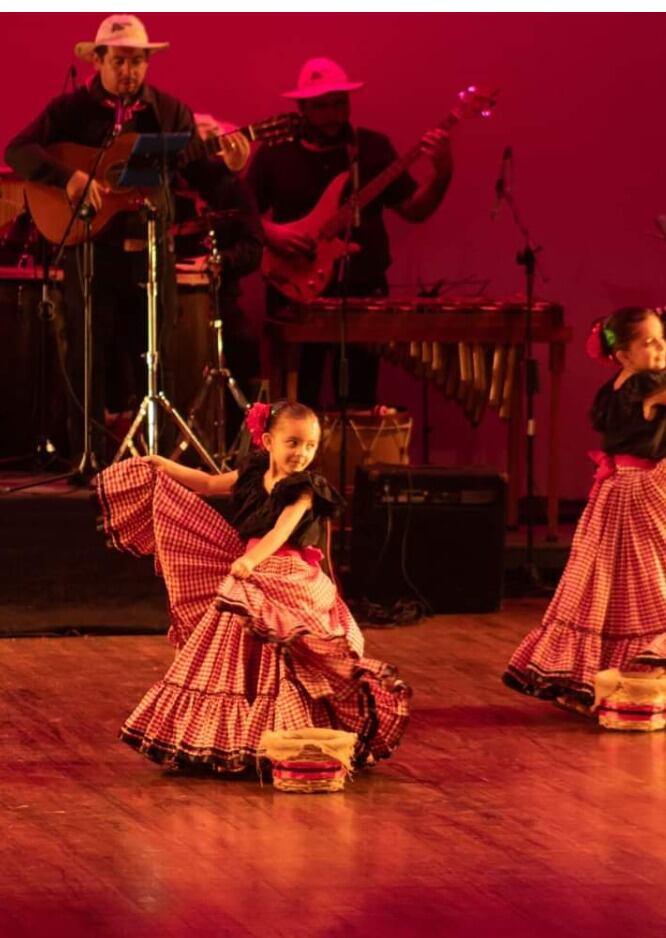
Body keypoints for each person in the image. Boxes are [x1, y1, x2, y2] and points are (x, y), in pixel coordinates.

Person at [94, 400, 410, 772]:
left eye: (310, 445)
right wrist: (163, 465)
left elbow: (282, 530)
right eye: (293, 443)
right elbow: (210, 483)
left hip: (286, 576)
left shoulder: (305, 488)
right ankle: (237, 738)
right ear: (267, 441)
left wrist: (250, 561)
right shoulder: (252, 471)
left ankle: (293, 735)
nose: (302, 453)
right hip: (249, 575)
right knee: (234, 653)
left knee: (285, 660)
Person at [4, 15, 262, 471]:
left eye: (138, 61)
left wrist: (231, 166)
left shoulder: (169, 111)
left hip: (150, 255)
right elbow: (18, 151)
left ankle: (151, 463)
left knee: (154, 357)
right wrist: (70, 177)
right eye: (120, 61)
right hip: (93, 253)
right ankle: (91, 459)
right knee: (89, 358)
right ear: (98, 60)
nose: (130, 71)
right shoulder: (68, 112)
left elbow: (199, 176)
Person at [246, 57, 453, 409]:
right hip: (294, 293)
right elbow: (241, 211)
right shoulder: (276, 154)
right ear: (303, 108)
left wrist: (442, 173)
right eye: (321, 105)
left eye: (339, 103)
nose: (332, 113)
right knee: (298, 400)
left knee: (360, 399)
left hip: (361, 288)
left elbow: (414, 210)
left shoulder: (372, 149)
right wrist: (272, 235)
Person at [503, 307, 666, 728]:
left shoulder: (614, 388)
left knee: (612, 582)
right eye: (649, 341)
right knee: (649, 577)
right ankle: (638, 673)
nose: (661, 347)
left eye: (662, 338)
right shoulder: (648, 383)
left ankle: (607, 679)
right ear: (624, 355)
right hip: (642, 489)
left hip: (620, 487)